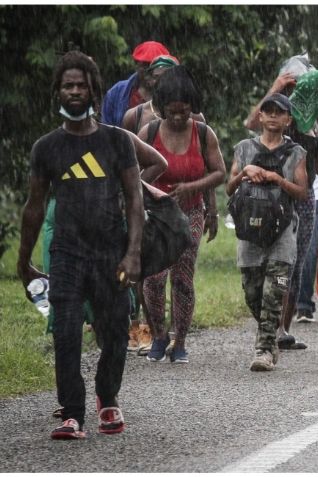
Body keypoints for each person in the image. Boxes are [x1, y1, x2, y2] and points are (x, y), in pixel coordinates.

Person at [18, 51, 144, 439]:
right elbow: (34, 208)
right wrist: (23, 262)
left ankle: (107, 399)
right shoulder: (47, 148)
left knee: (114, 328)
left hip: (111, 252)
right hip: (67, 255)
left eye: (81, 85)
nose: (75, 91)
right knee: (67, 332)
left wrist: (133, 252)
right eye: (68, 85)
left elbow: (135, 199)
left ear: (94, 91)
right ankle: (72, 413)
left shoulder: (116, 141)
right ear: (57, 91)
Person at [138, 66, 226, 363]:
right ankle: (159, 335)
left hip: (191, 214)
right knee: (152, 278)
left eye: (184, 112)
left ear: (193, 107)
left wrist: (193, 188)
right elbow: (131, 175)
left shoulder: (203, 133)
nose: (178, 118)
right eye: (172, 112)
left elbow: (219, 173)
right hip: (157, 217)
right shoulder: (148, 133)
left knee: (183, 278)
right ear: (161, 107)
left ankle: (181, 342)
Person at [227, 93, 308, 371]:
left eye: (279, 112)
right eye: (268, 111)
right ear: (259, 116)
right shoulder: (244, 148)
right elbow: (229, 188)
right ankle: (270, 336)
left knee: (275, 289)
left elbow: (302, 192)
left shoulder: (296, 153)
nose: (273, 116)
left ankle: (263, 349)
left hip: (283, 227)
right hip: (248, 227)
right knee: (252, 292)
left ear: (288, 120)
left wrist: (277, 179)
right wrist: (245, 172)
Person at [277, 69, 318, 345]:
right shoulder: (287, 120)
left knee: (299, 265)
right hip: (281, 198)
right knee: (281, 262)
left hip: (306, 201)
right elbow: (254, 124)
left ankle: (284, 329)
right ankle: (271, 326)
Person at [101, 40, 170, 127]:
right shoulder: (117, 92)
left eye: (155, 66)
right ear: (137, 65)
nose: (150, 71)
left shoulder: (174, 93)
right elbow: (106, 127)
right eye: (146, 65)